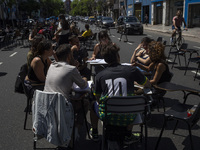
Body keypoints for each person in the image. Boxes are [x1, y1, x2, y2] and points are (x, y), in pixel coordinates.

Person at [89, 43, 151, 142]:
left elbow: (98, 99)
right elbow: (147, 84)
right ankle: (128, 135)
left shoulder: (99, 76)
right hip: (130, 116)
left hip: (108, 116)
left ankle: (95, 132)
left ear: (105, 60)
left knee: (93, 104)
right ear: (118, 56)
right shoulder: (132, 70)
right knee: (130, 102)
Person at [44, 44, 89, 146]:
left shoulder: (52, 66)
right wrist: (84, 78)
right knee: (85, 103)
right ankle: (76, 130)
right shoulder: (71, 69)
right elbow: (83, 85)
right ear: (69, 56)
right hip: (62, 107)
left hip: (48, 105)